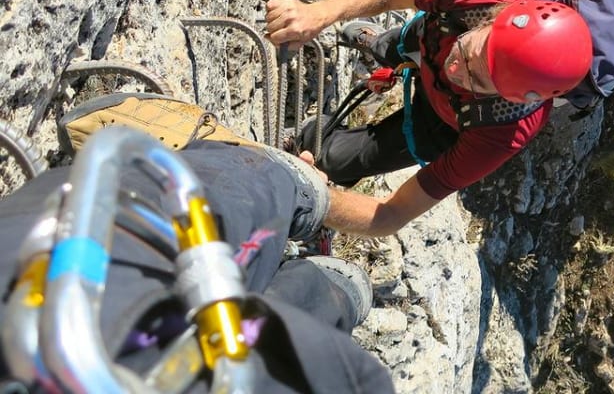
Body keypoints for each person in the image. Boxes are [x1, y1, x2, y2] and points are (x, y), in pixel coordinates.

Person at [0, 130, 392, 393]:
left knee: (239, 197)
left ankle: (299, 207)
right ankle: (329, 287)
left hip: (80, 253)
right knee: (300, 355)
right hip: (80, 259)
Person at [264, 0, 594, 237]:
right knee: (391, 46)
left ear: (510, 98)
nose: (458, 69)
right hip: (429, 44)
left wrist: (316, 196)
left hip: (445, 122)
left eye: (478, 81)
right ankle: (373, 42)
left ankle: (310, 139)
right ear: (493, 21)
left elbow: (392, 214)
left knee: (334, 159)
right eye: (475, 51)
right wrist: (319, 14)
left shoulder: (500, 131)